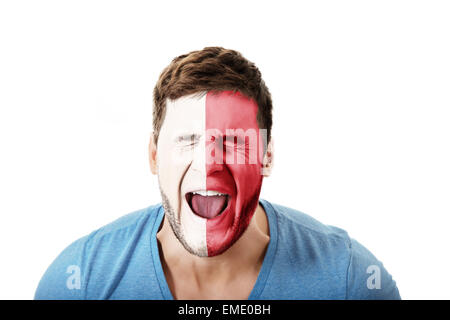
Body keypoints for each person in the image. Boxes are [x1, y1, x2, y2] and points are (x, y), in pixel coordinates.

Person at [35, 46, 400, 300]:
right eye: (188, 140)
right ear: (153, 156)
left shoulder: (350, 281)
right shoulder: (79, 280)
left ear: (267, 156)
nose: (209, 163)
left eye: (232, 141)